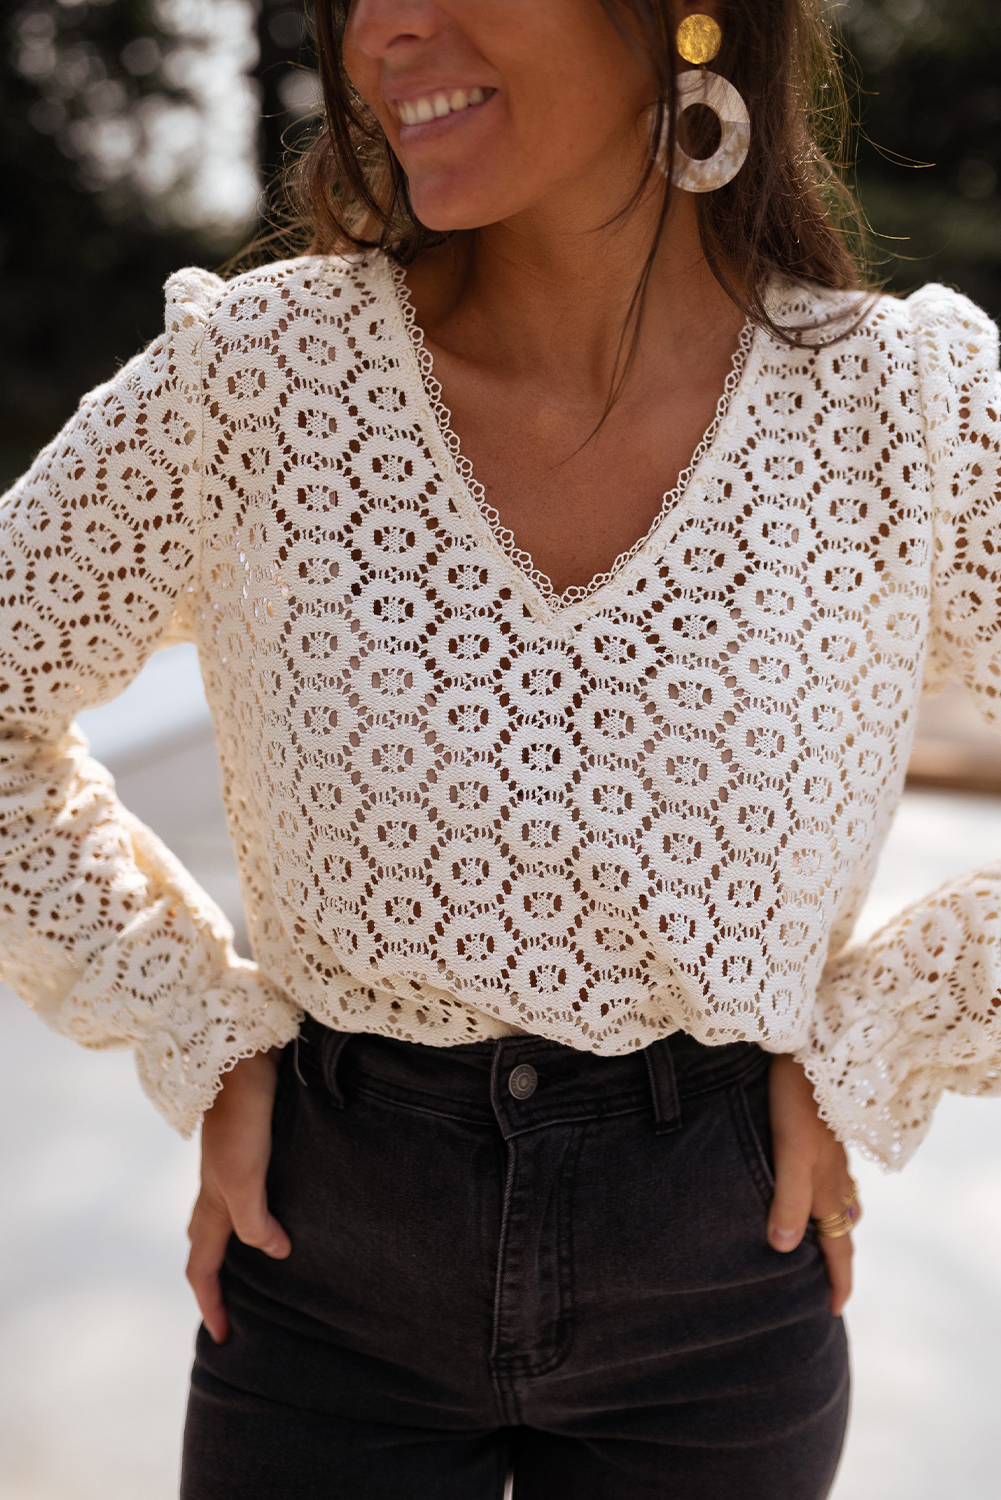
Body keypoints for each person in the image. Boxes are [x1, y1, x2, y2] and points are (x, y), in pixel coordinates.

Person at [1, 0, 999, 1494]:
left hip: (722, 1279)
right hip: (324, 1257)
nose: (382, 35)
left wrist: (876, 1041)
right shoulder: (255, 385)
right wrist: (190, 1024)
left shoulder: (905, 415)